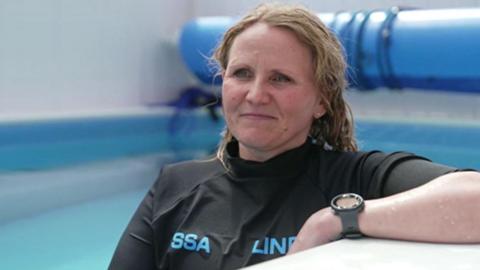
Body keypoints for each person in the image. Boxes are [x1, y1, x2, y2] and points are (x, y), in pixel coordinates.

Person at [109, 3, 480, 269]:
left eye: (280, 78)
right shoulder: (176, 186)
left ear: (321, 100)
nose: (255, 94)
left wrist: (339, 220)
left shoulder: (353, 180)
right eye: (241, 73)